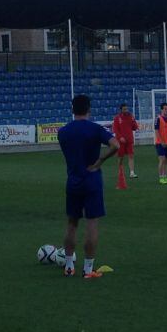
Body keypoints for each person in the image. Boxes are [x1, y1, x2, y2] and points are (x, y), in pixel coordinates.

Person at [57, 95, 120, 278]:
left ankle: (69, 267)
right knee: (92, 223)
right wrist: (100, 160)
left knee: (72, 223)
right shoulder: (95, 129)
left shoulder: (63, 132)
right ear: (89, 109)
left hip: (73, 179)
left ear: (72, 109)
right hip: (92, 179)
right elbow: (116, 145)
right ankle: (88, 269)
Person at [112, 103, 139, 179]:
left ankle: (132, 172)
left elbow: (134, 127)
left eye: (127, 109)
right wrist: (120, 137)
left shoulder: (131, 117)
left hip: (129, 140)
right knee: (120, 157)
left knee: (131, 155)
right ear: (121, 110)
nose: (126, 110)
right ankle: (120, 172)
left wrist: (135, 124)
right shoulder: (117, 118)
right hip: (121, 141)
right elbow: (115, 129)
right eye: (124, 109)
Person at [155, 102, 167, 184]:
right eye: (165, 109)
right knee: (162, 160)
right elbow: (156, 131)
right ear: (161, 109)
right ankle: (161, 178)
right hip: (160, 143)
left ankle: (165, 177)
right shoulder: (158, 118)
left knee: (166, 161)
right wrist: (161, 141)